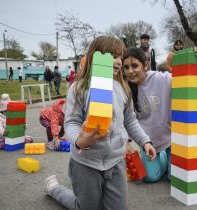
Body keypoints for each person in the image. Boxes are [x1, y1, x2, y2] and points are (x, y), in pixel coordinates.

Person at [43, 35, 156, 210]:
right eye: (113, 56)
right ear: (96, 56)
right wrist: (80, 141)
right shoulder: (79, 88)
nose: (119, 62)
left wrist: (145, 141)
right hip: (85, 164)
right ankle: (55, 189)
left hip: (115, 162)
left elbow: (130, 120)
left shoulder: (123, 89)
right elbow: (71, 123)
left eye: (120, 56)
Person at [123, 47, 197, 182]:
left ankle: (169, 159)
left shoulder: (162, 78)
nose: (130, 71)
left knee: (176, 178)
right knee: (149, 178)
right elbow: (127, 120)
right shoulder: (126, 89)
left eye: (134, 66)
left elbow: (189, 86)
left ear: (145, 65)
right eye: (126, 67)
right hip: (149, 143)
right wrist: (126, 141)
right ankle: (163, 159)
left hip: (172, 140)